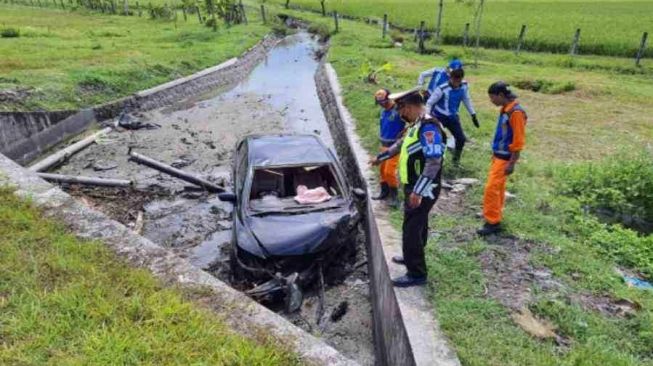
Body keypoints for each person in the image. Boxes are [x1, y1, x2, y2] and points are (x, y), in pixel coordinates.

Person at [371, 88, 446, 287]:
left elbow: (433, 162)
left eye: (402, 109)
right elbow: (402, 144)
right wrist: (382, 157)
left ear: (411, 106)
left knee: (411, 228)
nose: (400, 114)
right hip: (414, 184)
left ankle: (417, 273)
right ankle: (412, 255)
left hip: (423, 187)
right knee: (418, 224)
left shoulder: (429, 128)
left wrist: (418, 191)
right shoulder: (417, 124)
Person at [477, 81, 528, 236]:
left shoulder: (516, 113)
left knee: (491, 189)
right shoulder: (506, 109)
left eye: (492, 97)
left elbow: (518, 140)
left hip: (505, 159)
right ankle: (494, 215)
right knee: (497, 189)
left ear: (500, 95)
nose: (491, 101)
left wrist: (512, 162)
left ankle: (492, 222)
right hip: (498, 156)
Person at [425, 68, 479, 165]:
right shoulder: (442, 88)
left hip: (453, 117)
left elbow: (466, 99)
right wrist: (427, 117)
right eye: (453, 80)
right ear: (450, 78)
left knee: (461, 139)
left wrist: (473, 114)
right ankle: (434, 161)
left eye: (458, 81)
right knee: (437, 139)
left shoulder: (464, 86)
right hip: (439, 116)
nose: (455, 83)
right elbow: (429, 103)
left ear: (461, 79)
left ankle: (455, 161)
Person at [372, 89, 405, 207]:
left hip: (395, 146)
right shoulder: (383, 112)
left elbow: (408, 124)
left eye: (384, 102)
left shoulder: (398, 111)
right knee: (382, 170)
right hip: (384, 145)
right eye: (380, 103)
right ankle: (384, 192)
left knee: (389, 171)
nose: (382, 105)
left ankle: (394, 196)